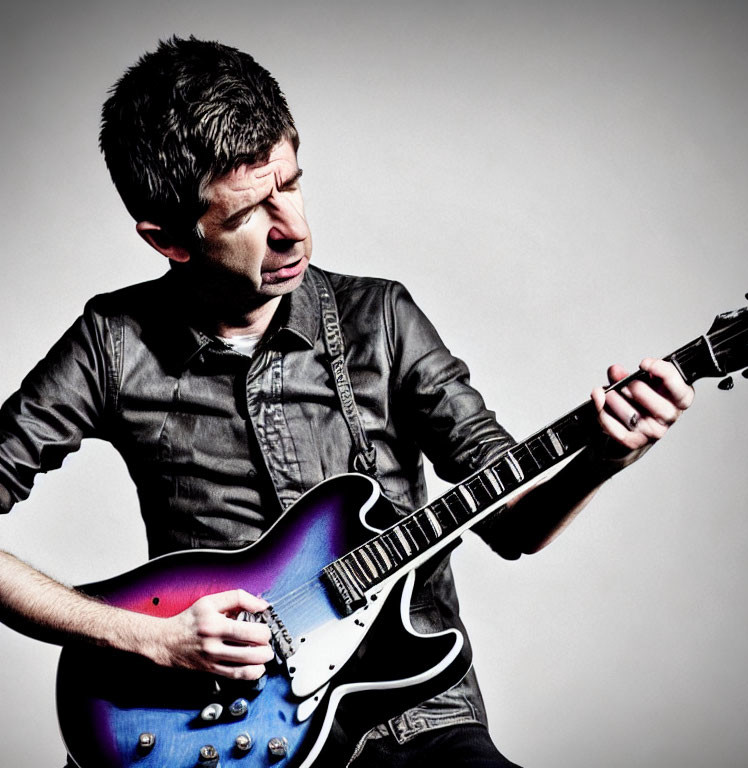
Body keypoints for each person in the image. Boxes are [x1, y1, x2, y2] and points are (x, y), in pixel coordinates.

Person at [0, 36, 694, 766]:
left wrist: (604, 458)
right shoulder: (114, 344)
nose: (292, 228)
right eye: (245, 216)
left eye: (291, 184)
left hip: (417, 718)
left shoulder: (382, 321)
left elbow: (511, 525)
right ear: (169, 238)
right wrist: (148, 637)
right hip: (209, 727)